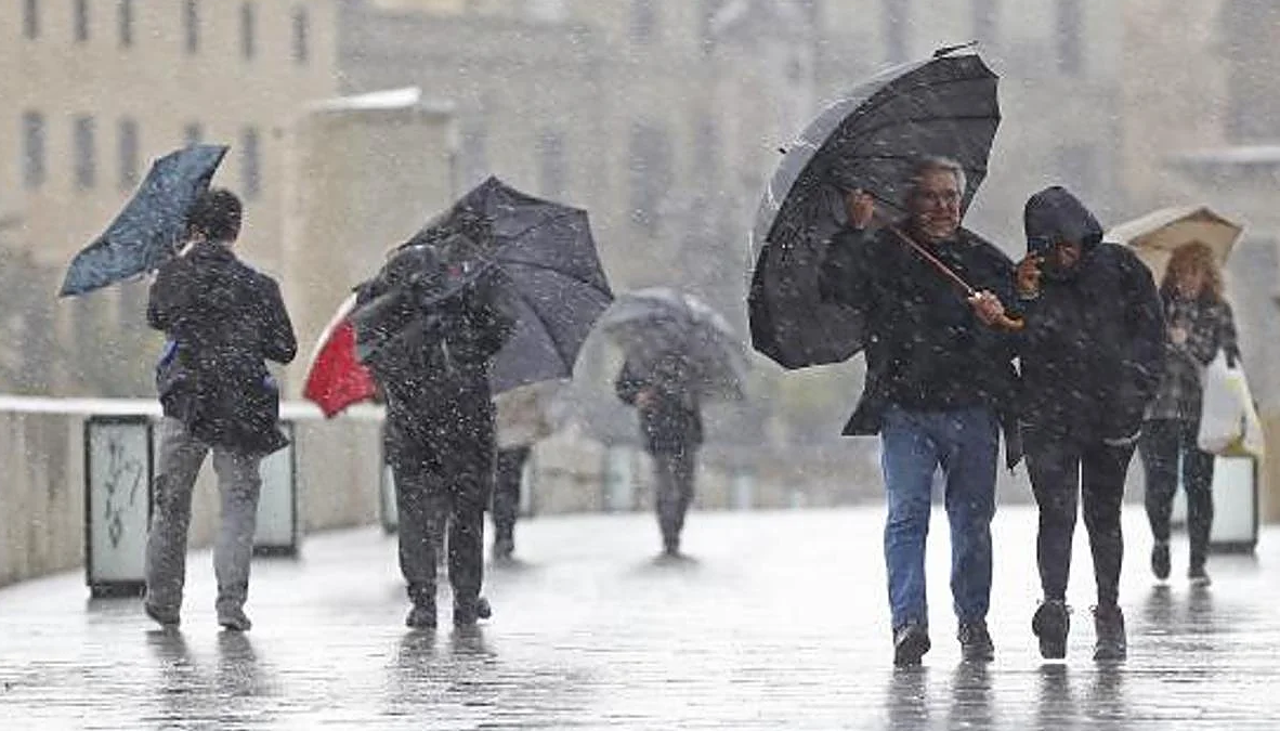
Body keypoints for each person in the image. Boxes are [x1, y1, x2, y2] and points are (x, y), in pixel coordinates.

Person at [818, 157, 1021, 666]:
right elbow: (837, 287)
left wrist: (998, 320)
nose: (942, 207)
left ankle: (973, 621)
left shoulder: (982, 258)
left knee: (972, 520)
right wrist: (853, 229)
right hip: (905, 408)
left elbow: (1024, 326)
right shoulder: (883, 252)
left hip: (974, 408)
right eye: (930, 196)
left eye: (950, 196)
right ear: (910, 202)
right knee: (907, 516)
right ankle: (908, 622)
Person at [1013, 186, 1165, 662]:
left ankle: (1109, 611)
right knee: (1056, 516)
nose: (1064, 254)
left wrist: (1135, 391)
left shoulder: (1120, 268)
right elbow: (1012, 343)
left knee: (1104, 516)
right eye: (1052, 245)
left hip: (1110, 417)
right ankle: (1054, 607)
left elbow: (1150, 334)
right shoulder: (1028, 282)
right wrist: (1022, 299)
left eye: (1069, 242)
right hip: (1048, 419)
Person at [143, 188, 297, 632]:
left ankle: (164, 600)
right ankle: (231, 602)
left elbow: (157, 318)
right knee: (238, 506)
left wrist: (174, 267)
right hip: (242, 405)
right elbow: (284, 349)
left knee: (171, 505)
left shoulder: (173, 274)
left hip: (186, 402)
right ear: (237, 229)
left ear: (194, 228)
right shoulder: (260, 285)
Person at [356, 244, 515, 629]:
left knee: (414, 506)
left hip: (410, 416)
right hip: (466, 413)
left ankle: (422, 599)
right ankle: (465, 597)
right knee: (467, 505)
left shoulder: (389, 294)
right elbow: (500, 333)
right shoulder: (471, 287)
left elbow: (370, 349)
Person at [1139, 242, 1239, 587]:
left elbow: (1229, 360)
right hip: (1157, 409)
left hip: (1200, 411)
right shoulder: (1156, 306)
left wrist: (1186, 343)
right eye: (1181, 272)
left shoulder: (1218, 311)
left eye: (1194, 272)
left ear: (1207, 275)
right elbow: (1141, 354)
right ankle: (1161, 541)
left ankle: (1198, 561)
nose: (1187, 280)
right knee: (1159, 484)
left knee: (1199, 486)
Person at [616, 354, 703, 557]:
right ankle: (668, 537)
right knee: (664, 486)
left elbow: (704, 387)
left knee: (685, 489)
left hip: (686, 430)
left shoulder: (692, 354)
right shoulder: (640, 354)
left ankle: (675, 529)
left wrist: (690, 390)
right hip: (658, 429)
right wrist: (638, 395)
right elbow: (622, 388)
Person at [491, 383, 557, 561]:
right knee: (511, 485)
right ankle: (506, 532)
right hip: (519, 439)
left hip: (498, 438)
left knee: (500, 486)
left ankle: (502, 530)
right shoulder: (525, 377)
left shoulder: (495, 377)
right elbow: (538, 410)